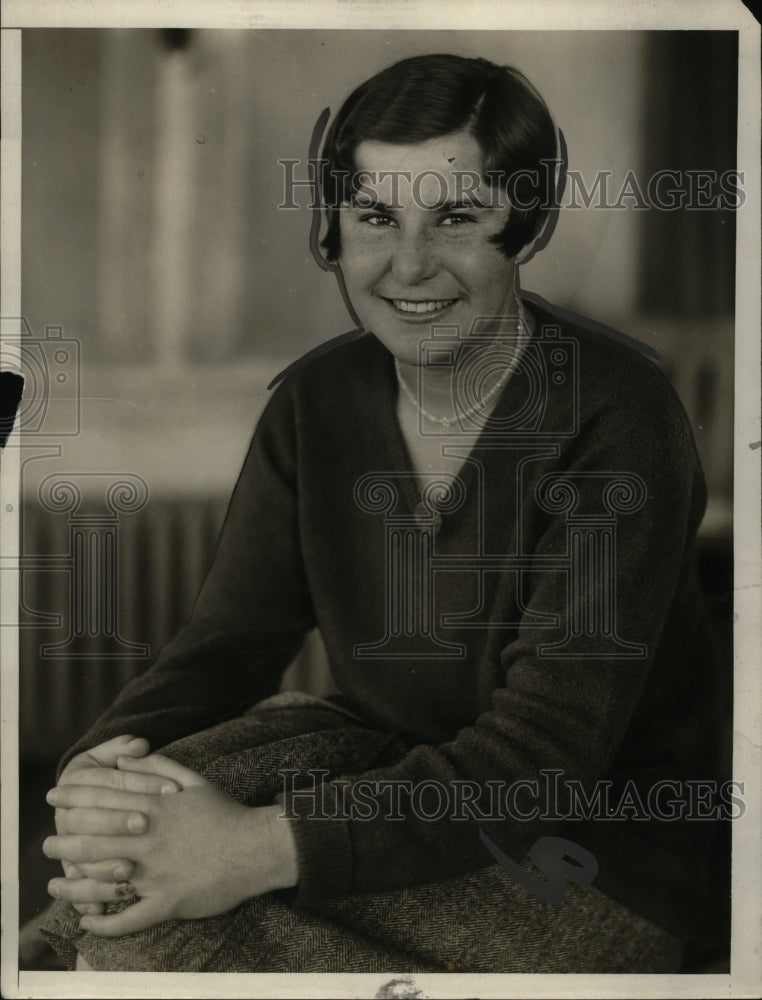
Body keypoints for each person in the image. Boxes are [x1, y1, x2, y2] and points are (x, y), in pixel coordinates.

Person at [39, 53, 720, 974]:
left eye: (456, 218)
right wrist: (94, 776)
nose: (407, 267)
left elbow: (543, 755)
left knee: (149, 926)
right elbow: (224, 648)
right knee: (128, 845)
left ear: (524, 225)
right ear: (332, 230)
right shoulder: (315, 400)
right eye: (374, 218)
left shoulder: (620, 412)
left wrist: (249, 849)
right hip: (378, 771)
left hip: (593, 847)